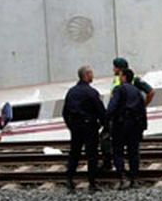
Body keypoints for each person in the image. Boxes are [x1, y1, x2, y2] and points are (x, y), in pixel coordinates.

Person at [62, 65, 107, 193]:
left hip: (76, 127)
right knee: (92, 155)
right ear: (86, 75)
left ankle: (69, 180)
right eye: (91, 73)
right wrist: (105, 125)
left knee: (74, 153)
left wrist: (70, 125)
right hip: (90, 127)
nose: (93, 76)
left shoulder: (71, 92)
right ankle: (92, 183)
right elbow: (100, 111)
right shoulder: (91, 92)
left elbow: (65, 112)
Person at [106, 69, 147, 189]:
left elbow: (112, 107)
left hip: (120, 125)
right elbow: (142, 109)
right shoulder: (137, 91)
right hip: (134, 125)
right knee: (133, 152)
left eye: (120, 76)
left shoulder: (119, 90)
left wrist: (106, 122)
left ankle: (123, 177)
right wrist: (143, 127)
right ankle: (134, 179)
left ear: (124, 77)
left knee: (118, 151)